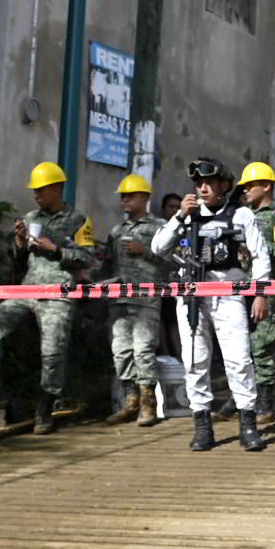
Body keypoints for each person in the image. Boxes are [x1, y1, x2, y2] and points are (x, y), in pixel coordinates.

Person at [152, 157, 269, 452]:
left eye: (209, 183)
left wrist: (260, 292)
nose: (202, 188)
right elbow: (158, 247)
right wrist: (179, 216)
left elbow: (260, 255)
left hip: (228, 293)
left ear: (224, 185)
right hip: (191, 296)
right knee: (194, 361)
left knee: (239, 360)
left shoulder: (241, 215)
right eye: (198, 184)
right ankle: (202, 423)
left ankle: (248, 424)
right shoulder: (187, 215)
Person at [0, 161, 96, 435]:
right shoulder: (31, 218)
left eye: (41, 189)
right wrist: (18, 242)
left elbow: (89, 259)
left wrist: (55, 250)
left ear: (57, 188)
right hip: (28, 289)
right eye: (35, 190)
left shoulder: (79, 220)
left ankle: (46, 405)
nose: (36, 195)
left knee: (53, 349)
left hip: (58, 292)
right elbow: (18, 262)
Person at [99, 173, 166, 427]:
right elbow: (107, 263)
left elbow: (173, 260)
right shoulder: (117, 231)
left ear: (145, 198)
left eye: (130, 195)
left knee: (143, 348)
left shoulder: (159, 227)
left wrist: (144, 251)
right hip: (119, 297)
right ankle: (130, 400)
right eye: (122, 196)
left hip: (146, 296)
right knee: (121, 350)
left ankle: (149, 403)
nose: (125, 200)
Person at [238, 161, 275, 425]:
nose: (246, 190)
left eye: (251, 185)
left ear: (266, 186)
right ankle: (239, 397)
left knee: (261, 345)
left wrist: (256, 247)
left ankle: (264, 401)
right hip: (238, 287)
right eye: (245, 186)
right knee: (239, 347)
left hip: (266, 289)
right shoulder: (241, 214)